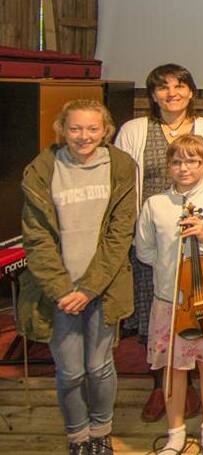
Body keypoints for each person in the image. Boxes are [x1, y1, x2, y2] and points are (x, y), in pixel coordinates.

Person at [18, 99, 136, 455]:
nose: (84, 136)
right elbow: (36, 238)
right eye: (75, 128)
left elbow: (120, 235)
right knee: (69, 371)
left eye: (92, 129)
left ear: (105, 130)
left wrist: (88, 289)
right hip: (58, 292)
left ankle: (101, 431)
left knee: (99, 367)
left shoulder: (120, 167)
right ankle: (78, 436)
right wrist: (62, 290)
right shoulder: (42, 170)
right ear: (62, 129)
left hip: (103, 287)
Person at [115, 63, 203, 421]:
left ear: (191, 91)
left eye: (179, 86)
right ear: (153, 95)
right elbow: (123, 183)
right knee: (155, 315)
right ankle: (161, 386)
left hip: (197, 236)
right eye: (163, 87)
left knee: (197, 311)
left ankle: (193, 386)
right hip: (153, 236)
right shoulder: (135, 130)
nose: (172, 93)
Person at [134, 134, 203, 455]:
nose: (184, 168)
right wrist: (169, 271)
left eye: (193, 161)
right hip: (170, 301)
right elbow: (144, 249)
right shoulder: (155, 204)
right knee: (174, 368)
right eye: (177, 162)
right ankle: (175, 432)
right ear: (168, 166)